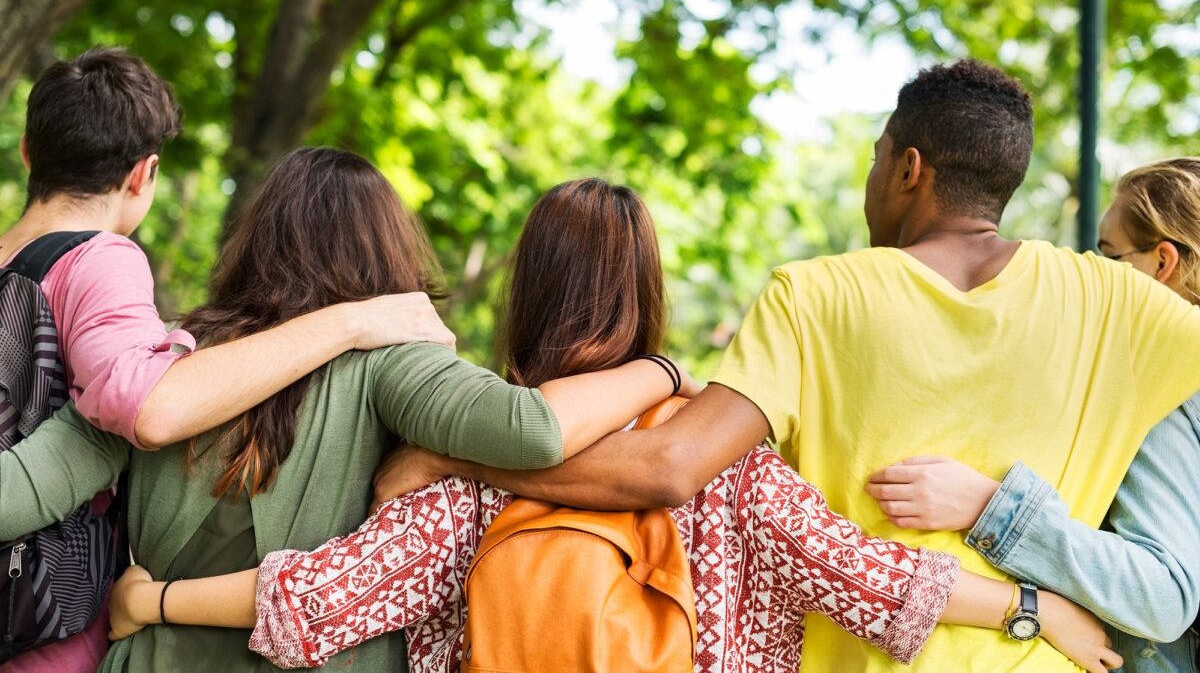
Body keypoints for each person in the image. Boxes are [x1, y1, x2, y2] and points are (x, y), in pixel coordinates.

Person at [365, 60, 1200, 673]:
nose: (870, 176)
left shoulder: (814, 294)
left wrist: (457, 454)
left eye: (877, 156)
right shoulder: (1125, 305)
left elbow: (669, 467)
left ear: (910, 169)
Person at [107, 178, 1115, 672]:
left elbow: (318, 602)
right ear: (649, 291)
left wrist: (151, 603)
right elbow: (880, 583)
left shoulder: (462, 468)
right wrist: (1038, 611)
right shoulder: (733, 459)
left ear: (526, 297)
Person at [0, 149, 697, 672]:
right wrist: (659, 367)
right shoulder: (395, 363)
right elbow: (535, 428)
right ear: (385, 247)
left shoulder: (170, 364)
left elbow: (16, 495)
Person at [0, 48, 449, 673]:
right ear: (144, 174)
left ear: (26, 151)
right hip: (45, 614)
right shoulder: (101, 256)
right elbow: (149, 406)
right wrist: (354, 319)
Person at [864, 157, 1200, 672]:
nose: (1090, 269)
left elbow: (1163, 595)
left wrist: (989, 507)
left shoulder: (1165, 391)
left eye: (1109, 255)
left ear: (1163, 263)